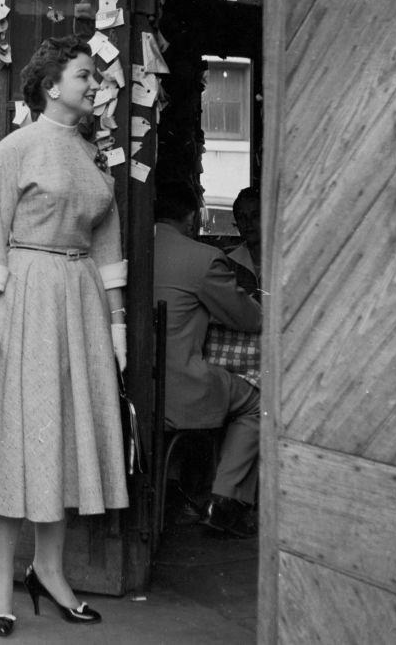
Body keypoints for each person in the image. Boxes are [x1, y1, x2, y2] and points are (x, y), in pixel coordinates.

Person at [0, 36, 130, 637]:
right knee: (21, 432)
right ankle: (0, 575)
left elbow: (108, 240)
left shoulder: (92, 154)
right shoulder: (15, 149)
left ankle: (50, 570)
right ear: (52, 86)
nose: (94, 84)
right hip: (27, 296)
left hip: (80, 297)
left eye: (93, 76)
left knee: (64, 431)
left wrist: (117, 322)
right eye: (84, 75)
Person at [153, 182, 262, 537]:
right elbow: (249, 319)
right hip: (179, 391)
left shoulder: (129, 247)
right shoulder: (202, 258)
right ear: (192, 216)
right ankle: (225, 500)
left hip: (135, 391)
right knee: (258, 401)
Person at [204, 187, 262, 388]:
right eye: (242, 218)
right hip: (237, 363)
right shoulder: (227, 262)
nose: (248, 224)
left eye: (255, 216)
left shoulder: (284, 258)